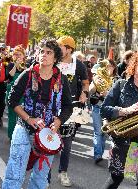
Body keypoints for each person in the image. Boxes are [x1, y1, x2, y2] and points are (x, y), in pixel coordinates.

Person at [2, 39, 73, 189]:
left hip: (48, 135)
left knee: (40, 180)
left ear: (55, 58)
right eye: (42, 52)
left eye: (49, 53)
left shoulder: (62, 79)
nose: (44, 55)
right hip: (24, 130)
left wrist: (59, 121)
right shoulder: (28, 74)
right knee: (15, 174)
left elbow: (68, 106)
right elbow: (12, 100)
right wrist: (28, 118)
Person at [101, 50, 138, 189]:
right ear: (134, 64)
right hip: (125, 140)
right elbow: (104, 109)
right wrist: (124, 111)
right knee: (116, 178)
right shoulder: (121, 85)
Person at [54, 36, 89, 187]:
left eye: (60, 46)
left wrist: (84, 94)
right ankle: (44, 175)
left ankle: (63, 172)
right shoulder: (53, 61)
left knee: (67, 144)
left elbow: (86, 83)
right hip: (52, 106)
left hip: (70, 108)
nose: (58, 48)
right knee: (49, 140)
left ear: (69, 49)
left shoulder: (79, 65)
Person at [89, 59, 118, 164]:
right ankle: (97, 155)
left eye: (110, 66)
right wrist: (93, 86)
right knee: (98, 132)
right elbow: (90, 91)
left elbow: (119, 96)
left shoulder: (117, 80)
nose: (108, 68)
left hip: (110, 110)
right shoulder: (98, 77)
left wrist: (108, 94)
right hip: (97, 106)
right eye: (106, 66)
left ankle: (100, 153)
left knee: (105, 133)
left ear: (114, 67)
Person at [5, 45, 26, 139]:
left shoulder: (26, 67)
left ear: (23, 56)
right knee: (12, 116)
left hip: (23, 94)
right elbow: (10, 76)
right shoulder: (10, 65)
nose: (18, 56)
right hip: (12, 92)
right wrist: (16, 65)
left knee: (22, 116)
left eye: (20, 54)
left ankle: (19, 135)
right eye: (16, 54)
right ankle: (12, 136)